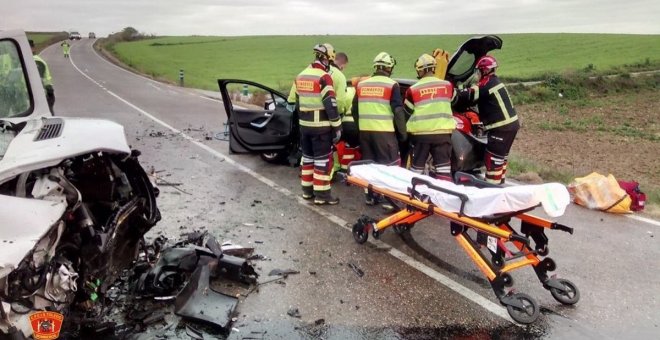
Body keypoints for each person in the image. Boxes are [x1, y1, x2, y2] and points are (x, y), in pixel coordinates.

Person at [287, 44, 342, 205]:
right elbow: (330, 104)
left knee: (308, 159)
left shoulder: (301, 75)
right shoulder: (324, 77)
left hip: (305, 127)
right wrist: (337, 126)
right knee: (322, 161)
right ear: (327, 59)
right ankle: (322, 195)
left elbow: (297, 103)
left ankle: (307, 192)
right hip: (321, 128)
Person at [453, 55, 519, 184]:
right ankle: (499, 184)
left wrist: (453, 92)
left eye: (478, 71)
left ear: (484, 71)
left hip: (501, 128)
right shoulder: (495, 82)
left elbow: (469, 95)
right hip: (510, 126)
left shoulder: (485, 85)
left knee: (493, 160)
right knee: (501, 159)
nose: (477, 74)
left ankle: (491, 188)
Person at [352, 52, 407, 205]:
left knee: (370, 165)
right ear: (389, 68)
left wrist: (360, 127)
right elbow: (398, 111)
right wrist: (402, 134)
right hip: (385, 133)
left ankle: (370, 196)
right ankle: (389, 200)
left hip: (365, 133)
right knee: (389, 166)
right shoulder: (391, 85)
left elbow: (354, 109)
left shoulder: (362, 85)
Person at [404, 54, 456, 181]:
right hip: (443, 134)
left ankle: (416, 197)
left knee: (416, 170)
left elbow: (407, 111)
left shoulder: (413, 90)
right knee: (443, 170)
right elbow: (454, 101)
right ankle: (444, 197)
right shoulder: (448, 86)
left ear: (420, 70)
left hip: (421, 136)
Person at [30, 40, 55, 113]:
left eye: (29, 48)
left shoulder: (36, 61)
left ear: (33, 49)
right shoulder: (30, 60)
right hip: (41, 95)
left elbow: (37, 80)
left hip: (39, 95)